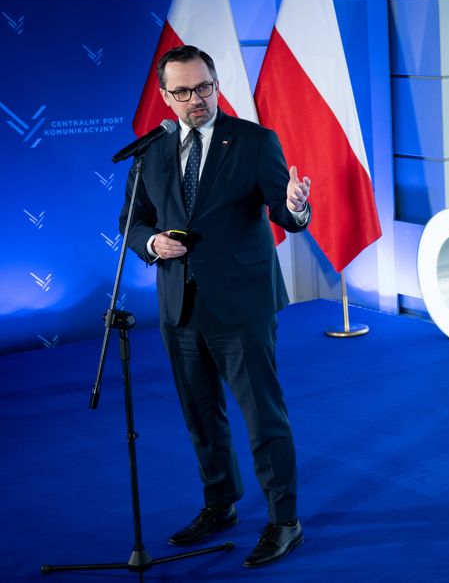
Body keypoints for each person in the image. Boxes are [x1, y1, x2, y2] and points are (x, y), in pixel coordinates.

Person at [120, 45, 310, 568]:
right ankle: (220, 503)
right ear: (165, 97)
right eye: (182, 91)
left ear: (216, 84)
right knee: (202, 416)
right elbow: (133, 222)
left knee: (263, 419)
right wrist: (152, 244)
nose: (195, 99)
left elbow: (284, 210)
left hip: (242, 305)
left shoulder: (253, 141)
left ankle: (284, 521)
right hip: (179, 306)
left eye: (203, 87)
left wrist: (296, 206)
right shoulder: (152, 151)